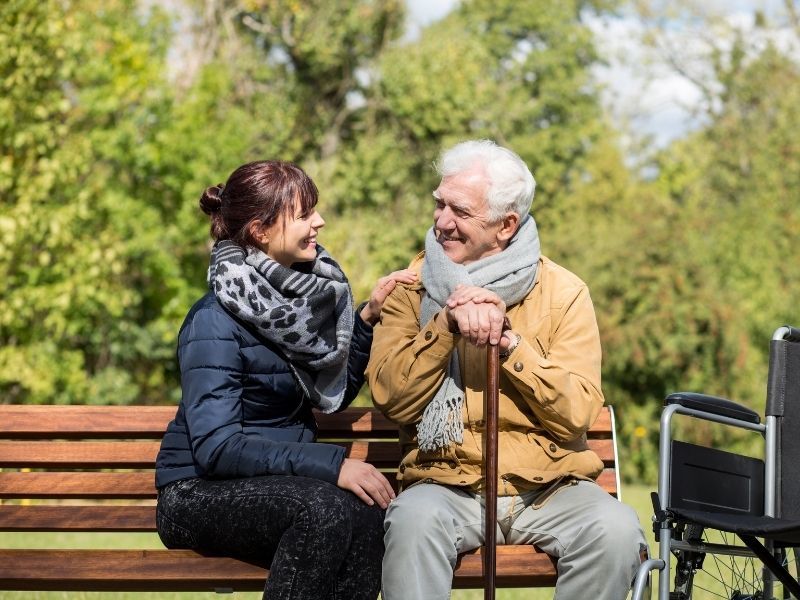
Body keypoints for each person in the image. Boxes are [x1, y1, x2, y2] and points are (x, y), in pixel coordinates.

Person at [367, 140, 647, 600]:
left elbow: (577, 412)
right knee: (413, 522)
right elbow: (391, 398)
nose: (442, 221)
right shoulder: (409, 289)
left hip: (549, 488)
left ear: (506, 225)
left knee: (615, 530)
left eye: (460, 210)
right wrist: (445, 325)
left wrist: (511, 346)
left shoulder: (564, 292)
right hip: (446, 484)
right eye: (439, 203)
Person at [154, 159, 416, 600]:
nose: (320, 221)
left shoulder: (296, 308)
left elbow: (330, 394)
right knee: (320, 510)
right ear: (260, 231)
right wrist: (334, 465)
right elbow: (217, 448)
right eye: (304, 214)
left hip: (276, 484)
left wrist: (367, 318)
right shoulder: (213, 320)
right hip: (196, 492)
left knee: (369, 515)